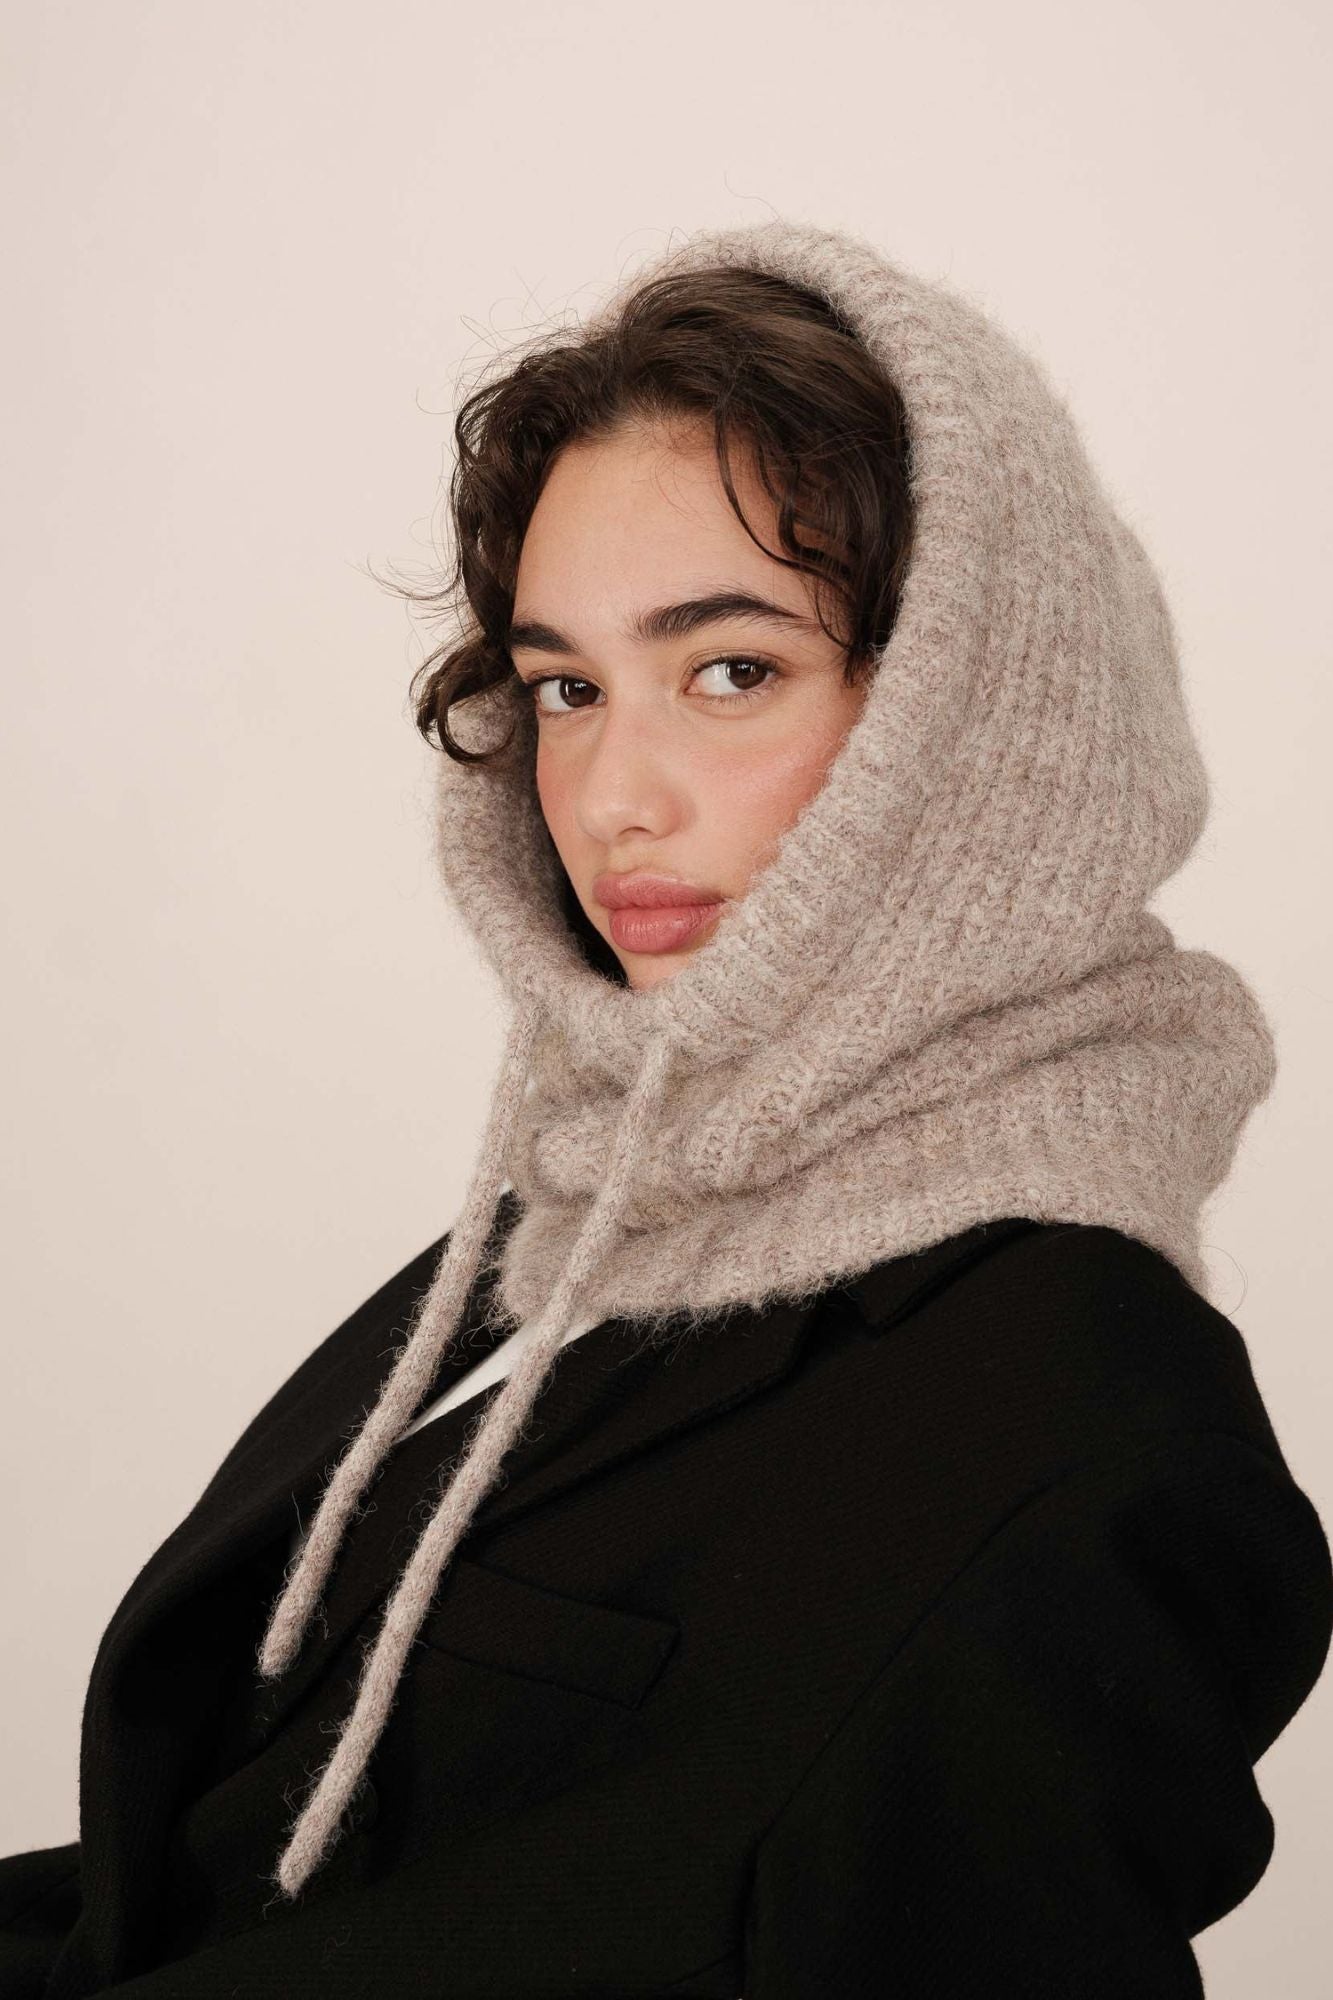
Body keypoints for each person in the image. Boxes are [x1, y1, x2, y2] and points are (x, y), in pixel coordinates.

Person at [2, 216, 1329, 1999]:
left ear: (982, 725)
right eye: (565, 687)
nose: (610, 795)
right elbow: (233, 1871)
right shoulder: (596, 1220)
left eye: (730, 671)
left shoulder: (1083, 1412)